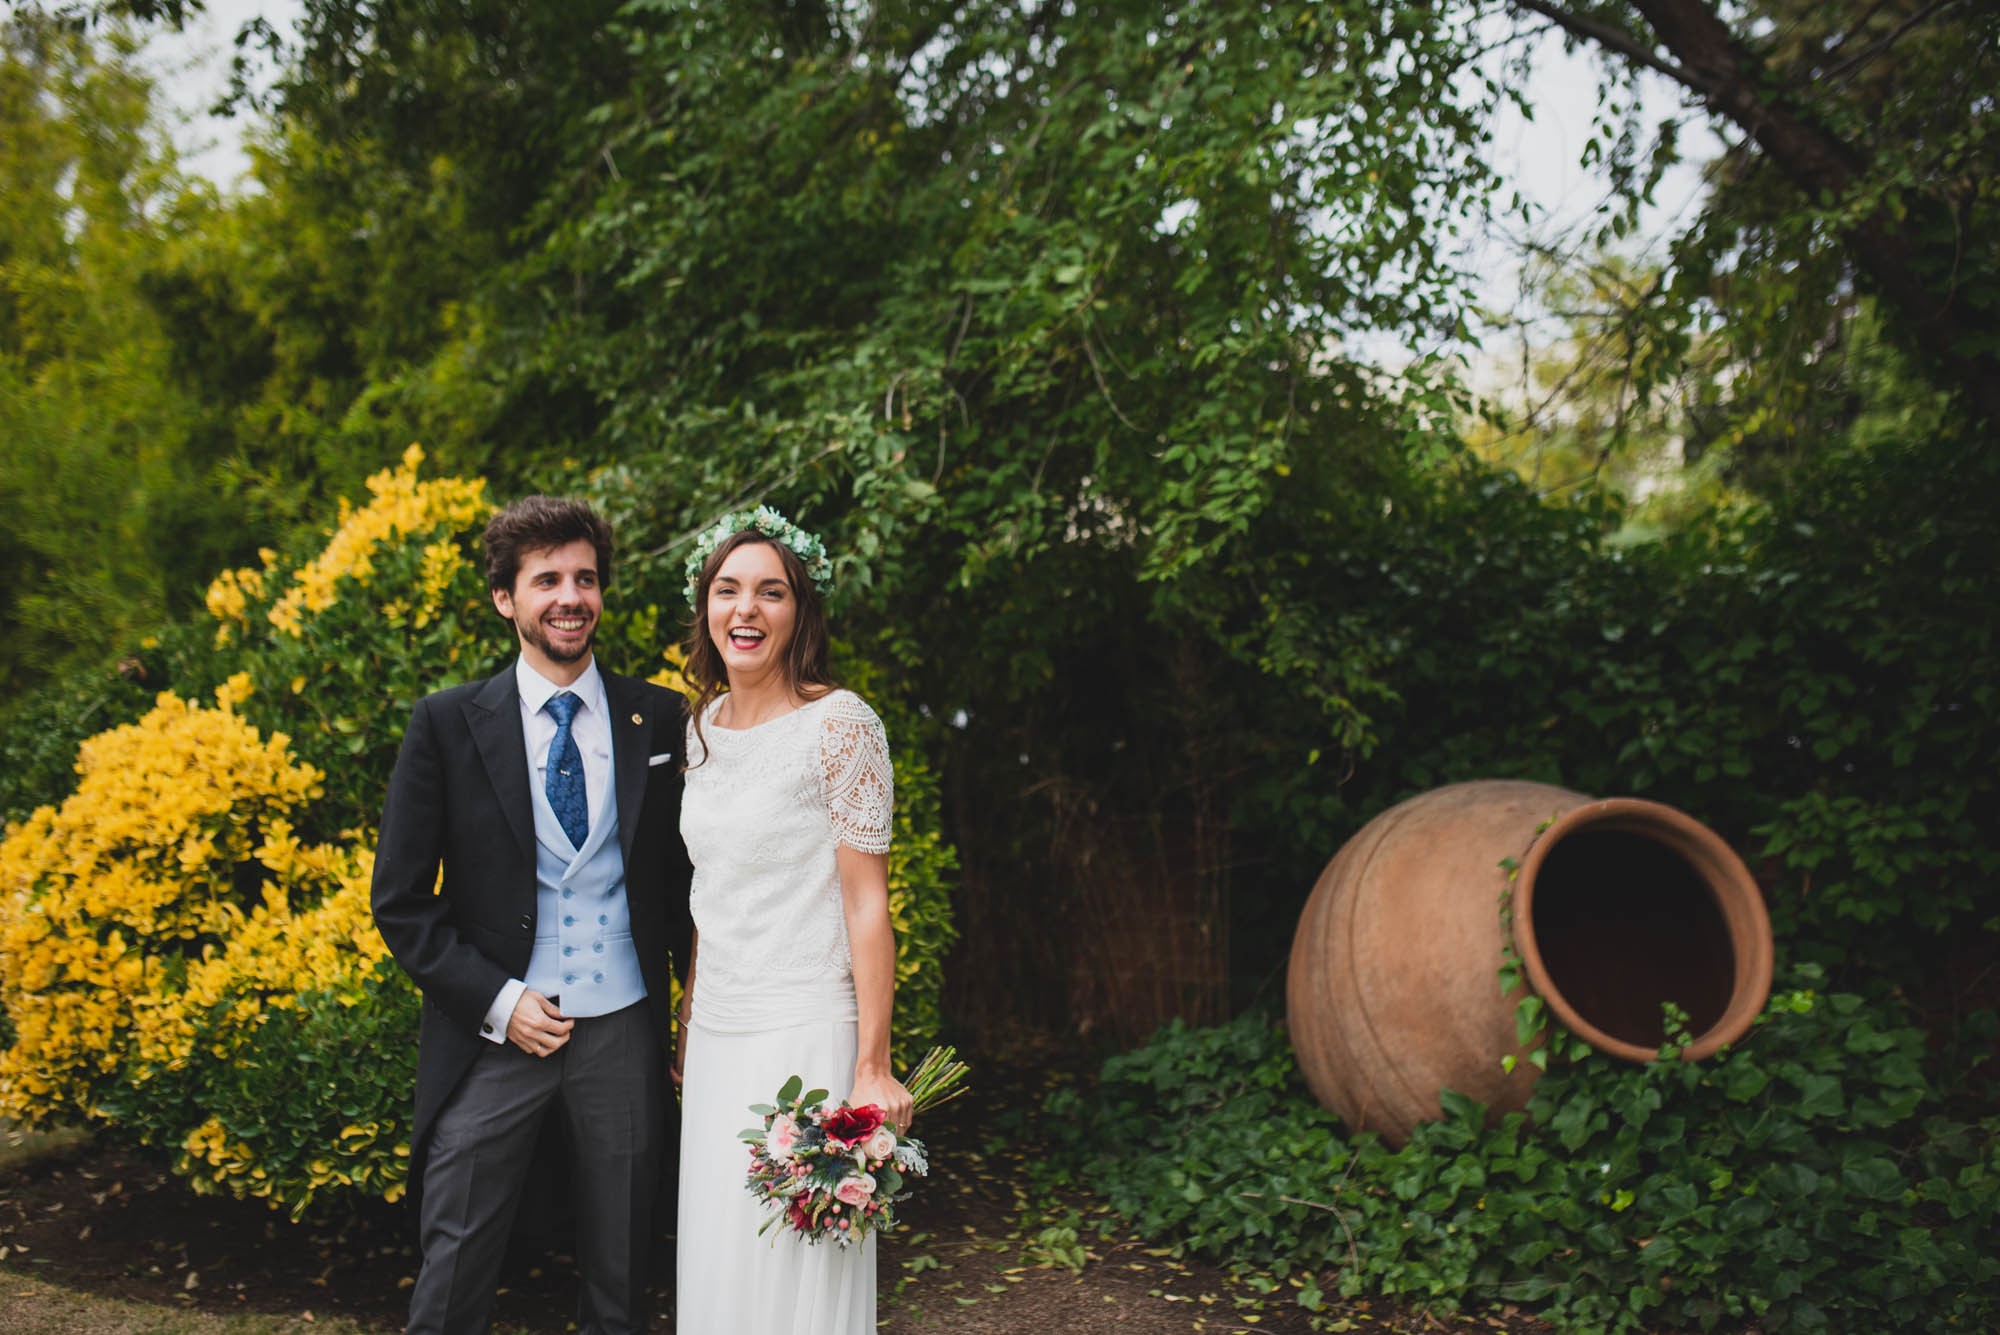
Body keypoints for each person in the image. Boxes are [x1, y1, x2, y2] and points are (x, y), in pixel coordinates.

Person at [371, 496, 694, 1335]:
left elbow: (691, 882)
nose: (570, 595)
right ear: (505, 599)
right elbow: (401, 902)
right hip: (494, 1036)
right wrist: (498, 1001)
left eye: (585, 577)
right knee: (454, 1263)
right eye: (546, 577)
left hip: (623, 1029)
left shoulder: (656, 717)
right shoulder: (445, 722)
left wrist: (696, 1005)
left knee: (624, 1270)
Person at [673, 508, 912, 1334]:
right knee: (718, 1256)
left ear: (800, 611)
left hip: (806, 1029)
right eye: (727, 589)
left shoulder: (842, 724)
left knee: (794, 1265)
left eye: (770, 591)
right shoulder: (699, 732)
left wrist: (873, 1065)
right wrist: (688, 1011)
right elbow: (712, 890)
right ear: (704, 607)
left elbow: (866, 901)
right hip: (716, 1035)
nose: (746, 609)